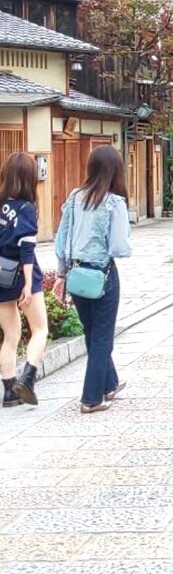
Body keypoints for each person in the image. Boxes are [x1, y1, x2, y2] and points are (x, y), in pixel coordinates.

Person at [53, 145, 133, 414]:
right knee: (103, 336)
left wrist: (61, 274)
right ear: (116, 170)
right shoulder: (113, 203)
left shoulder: (75, 197)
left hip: (76, 274)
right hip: (102, 274)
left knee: (92, 331)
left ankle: (109, 384)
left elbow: (62, 240)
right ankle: (91, 398)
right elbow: (119, 247)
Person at [0, 152, 48, 408]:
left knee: (10, 334)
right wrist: (28, 285)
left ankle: (9, 390)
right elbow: (26, 250)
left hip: (0, 276)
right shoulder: (26, 208)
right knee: (40, 329)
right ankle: (28, 378)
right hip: (20, 274)